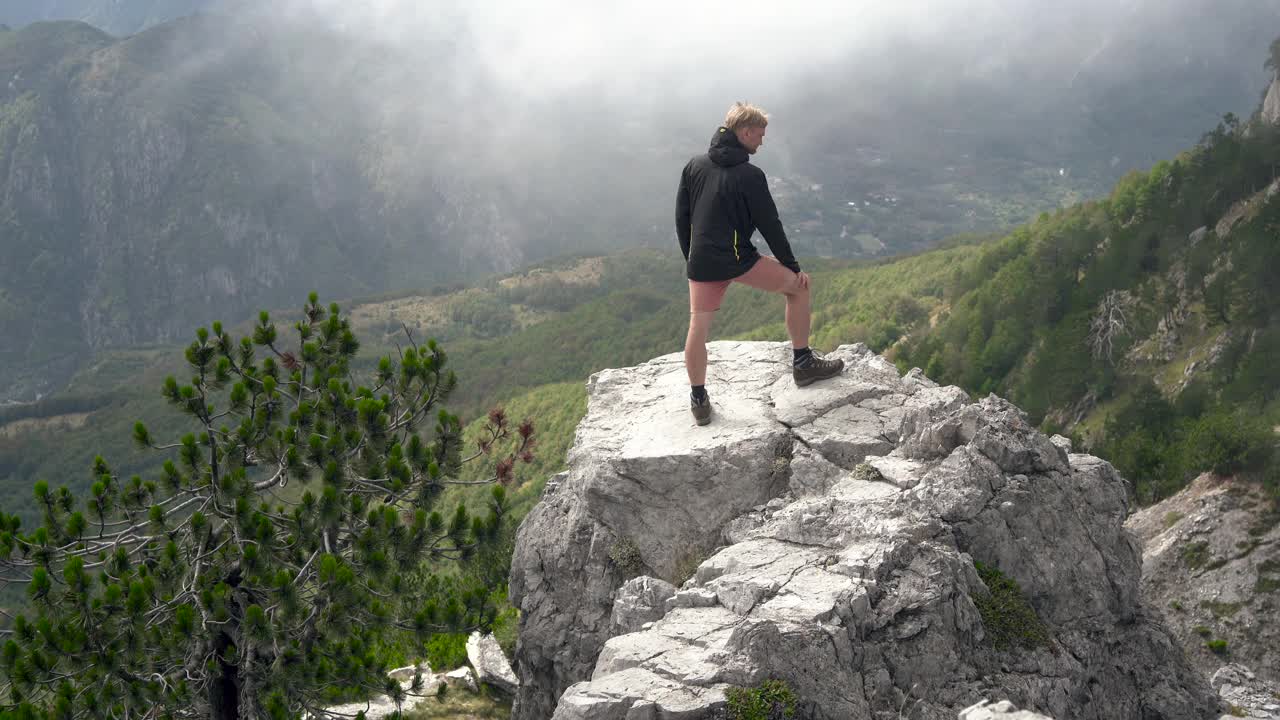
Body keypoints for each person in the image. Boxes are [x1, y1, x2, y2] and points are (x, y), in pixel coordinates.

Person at [676, 102, 844, 426]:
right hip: (739, 260)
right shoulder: (749, 175)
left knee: (698, 328)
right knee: (799, 289)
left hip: (702, 264)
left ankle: (698, 399)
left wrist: (691, 258)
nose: (762, 141)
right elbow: (770, 224)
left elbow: (682, 219)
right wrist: (793, 267)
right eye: (761, 134)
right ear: (746, 132)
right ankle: (803, 363)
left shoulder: (694, 166)